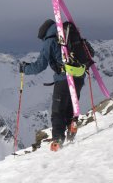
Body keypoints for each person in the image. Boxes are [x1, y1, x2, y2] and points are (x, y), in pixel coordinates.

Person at [19, 18, 84, 151]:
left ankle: (58, 139)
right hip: (79, 76)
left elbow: (39, 66)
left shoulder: (49, 41)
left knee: (57, 111)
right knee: (70, 107)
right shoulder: (68, 35)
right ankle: (72, 126)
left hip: (63, 79)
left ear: (43, 34)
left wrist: (25, 69)